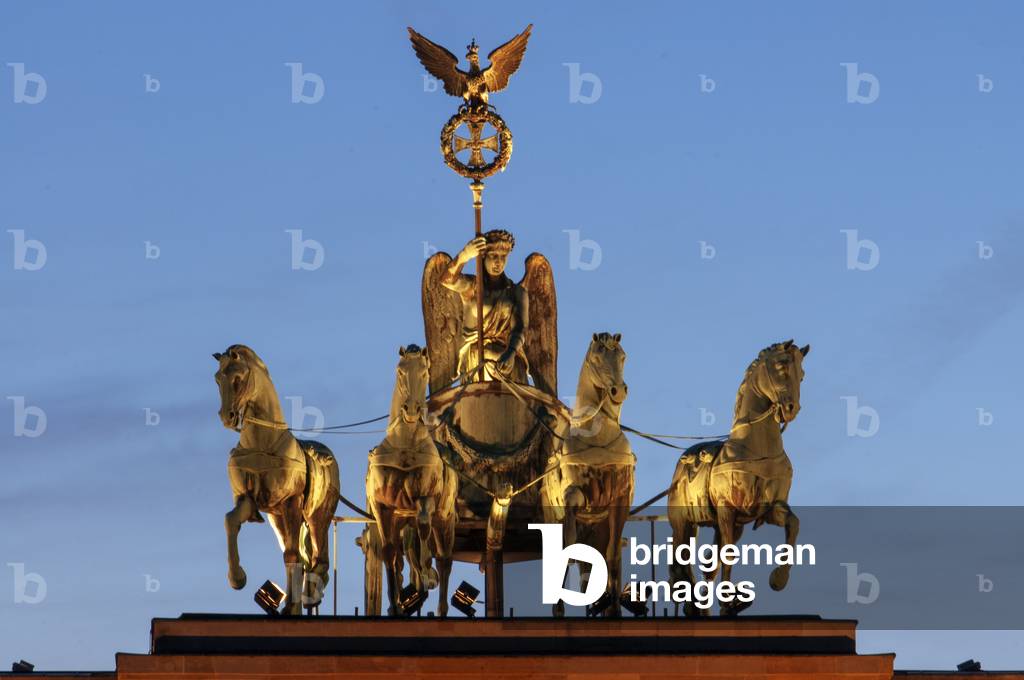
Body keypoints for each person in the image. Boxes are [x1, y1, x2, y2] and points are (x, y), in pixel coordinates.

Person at [441, 229, 529, 383]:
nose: (498, 262)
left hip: (507, 356)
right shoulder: (471, 287)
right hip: (477, 358)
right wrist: (466, 254)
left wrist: (511, 352)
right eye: (493, 256)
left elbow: (520, 327)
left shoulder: (516, 292)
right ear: (483, 257)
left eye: (503, 257)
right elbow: (447, 280)